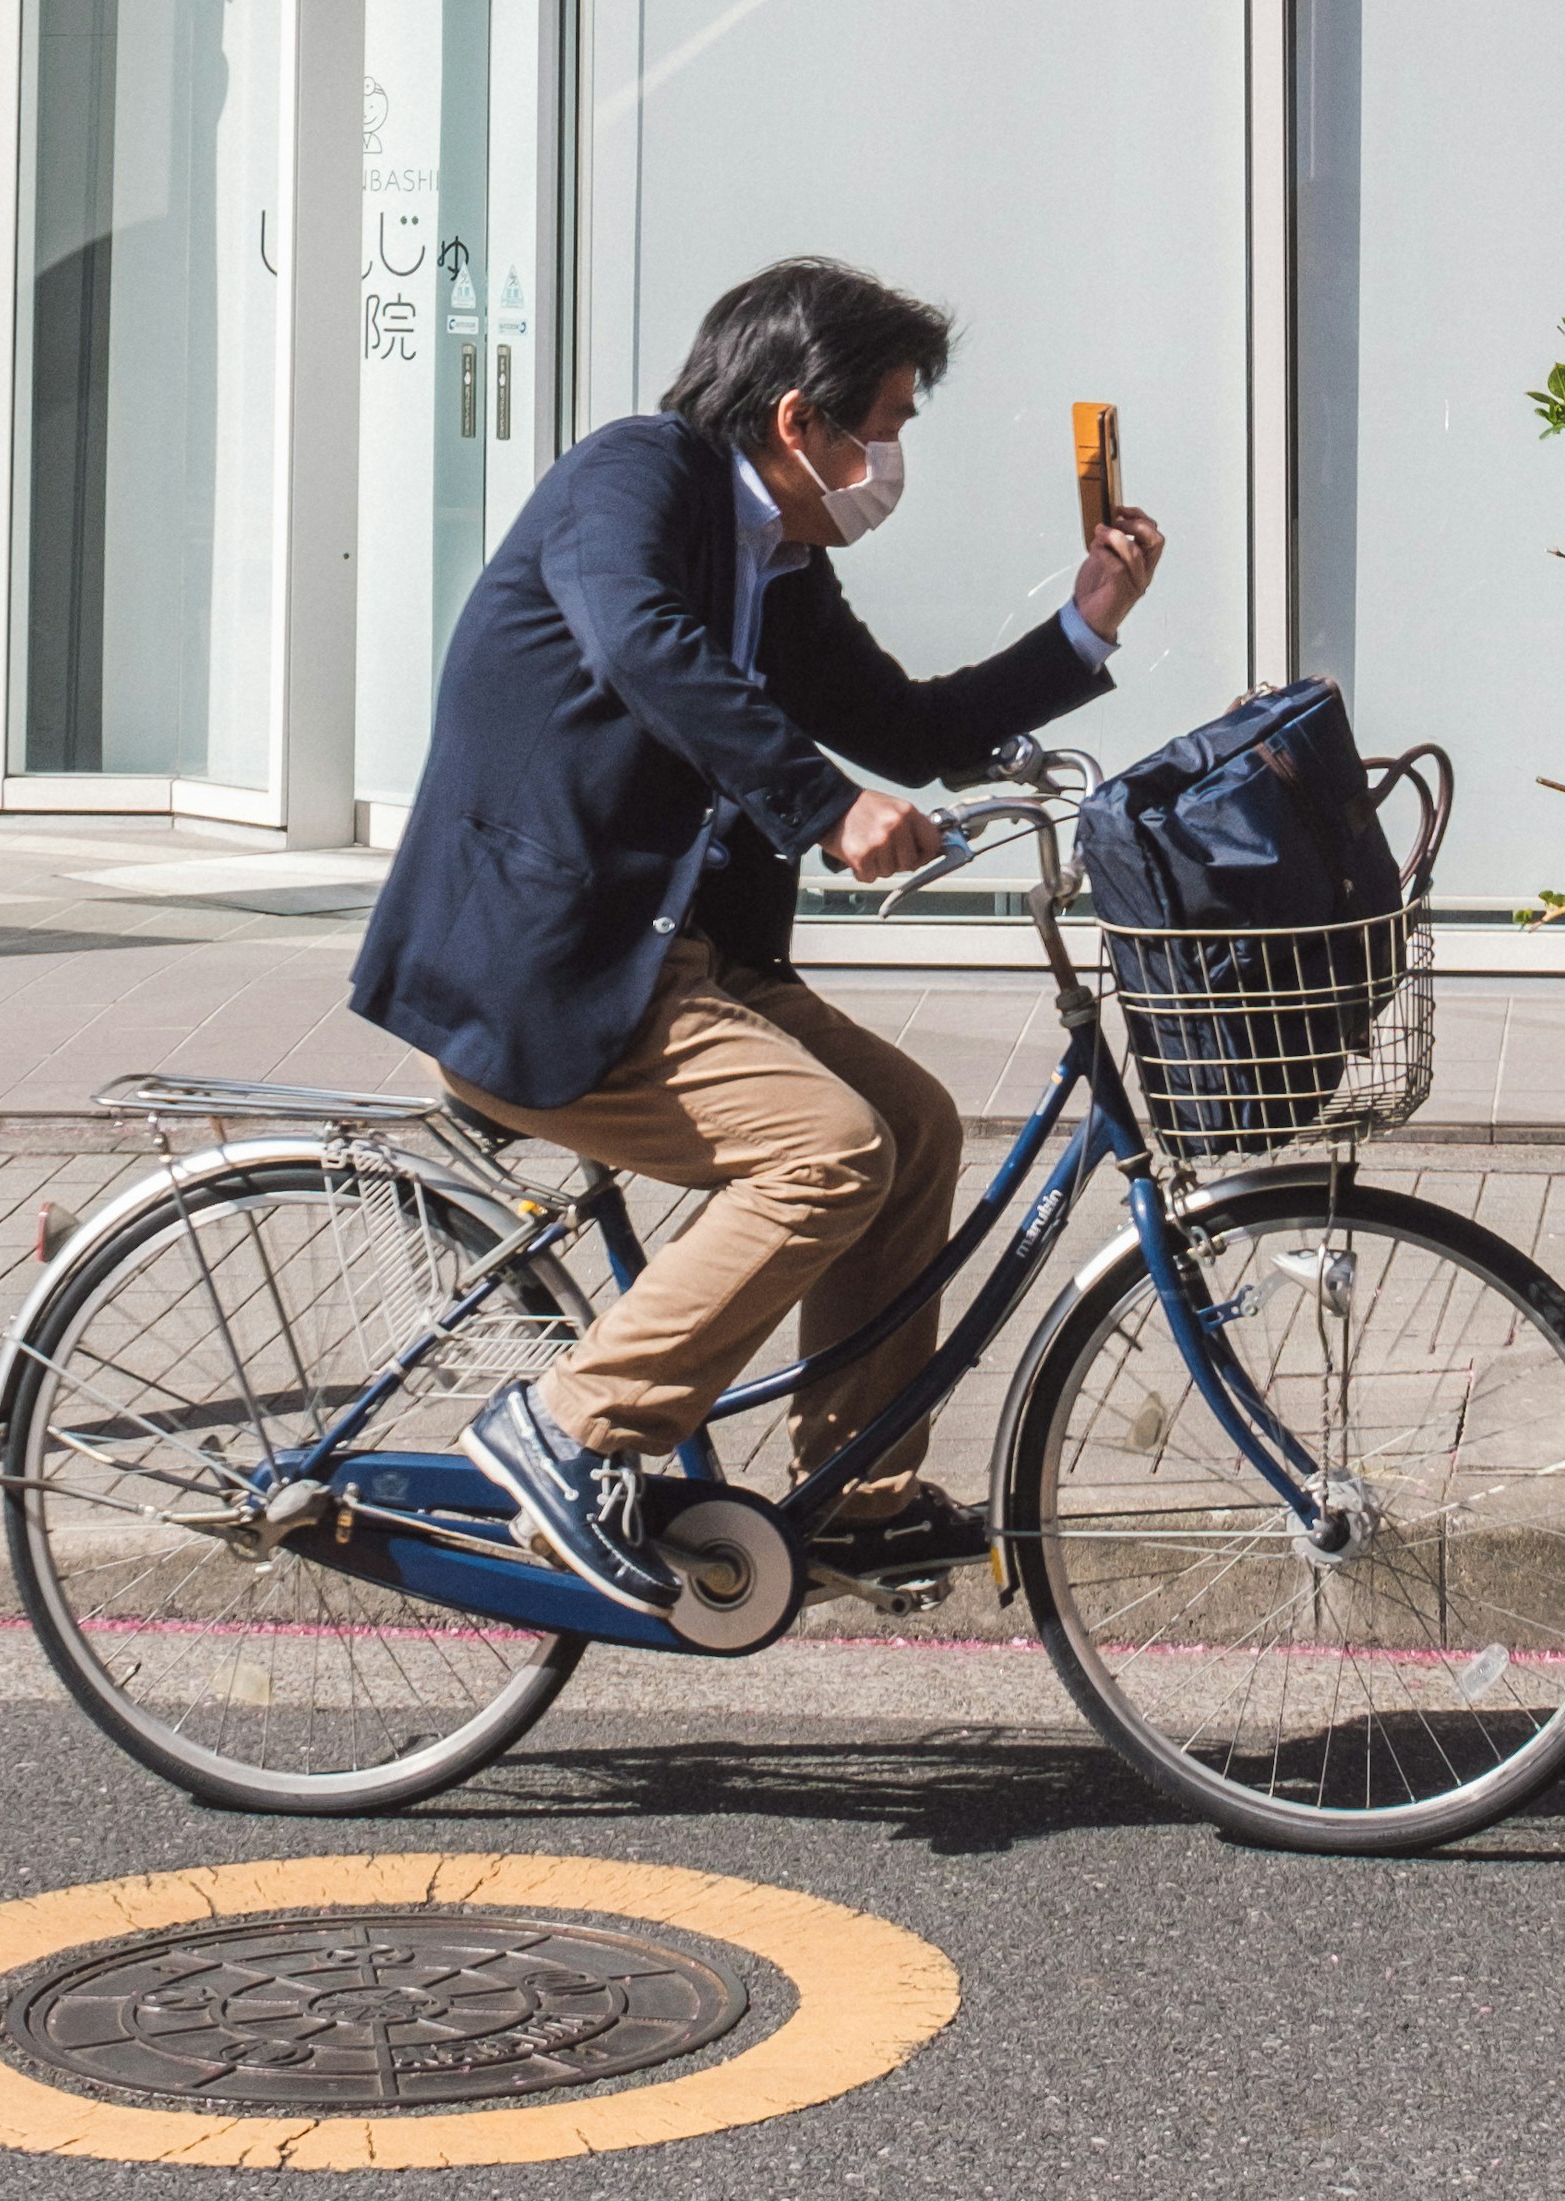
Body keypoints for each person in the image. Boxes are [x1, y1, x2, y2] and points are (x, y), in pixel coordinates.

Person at [351, 251, 1166, 1602]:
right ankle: (566, 1431)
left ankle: (853, 1495)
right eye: (888, 426)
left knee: (912, 1131)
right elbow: (641, 647)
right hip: (550, 968)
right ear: (802, 421)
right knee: (827, 1154)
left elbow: (900, 722)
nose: (893, 460)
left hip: (677, 956)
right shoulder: (638, 479)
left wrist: (1084, 628)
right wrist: (823, 807)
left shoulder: (777, 559)